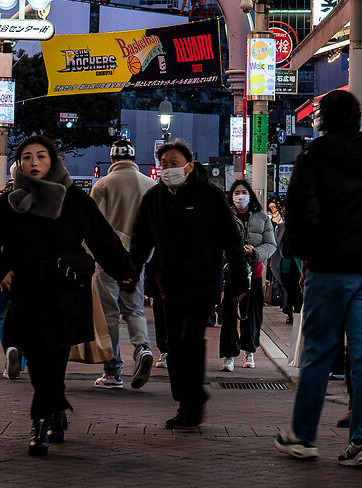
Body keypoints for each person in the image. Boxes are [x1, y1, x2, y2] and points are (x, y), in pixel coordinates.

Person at [0, 132, 132, 453]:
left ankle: (41, 420)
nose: (34, 163)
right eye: (27, 157)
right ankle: (54, 411)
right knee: (38, 358)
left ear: (53, 161)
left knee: (55, 358)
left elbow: (102, 238)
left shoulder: (73, 198)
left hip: (65, 291)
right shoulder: (9, 201)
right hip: (25, 292)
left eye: (41, 156)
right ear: (19, 163)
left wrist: (126, 273)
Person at [275, 88, 362, 467]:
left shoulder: (314, 158)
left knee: (319, 353)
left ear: (323, 121)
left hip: (328, 269)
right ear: (359, 118)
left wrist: (307, 255)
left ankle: (303, 437)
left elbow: (299, 213)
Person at [123, 140, 242, 429]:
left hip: (203, 283)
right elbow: (141, 240)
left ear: (189, 166)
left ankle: (192, 403)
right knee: (174, 344)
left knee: (191, 339)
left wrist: (238, 279)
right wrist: (130, 274)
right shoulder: (154, 198)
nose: (168, 169)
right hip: (169, 284)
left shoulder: (209, 196)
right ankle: (184, 400)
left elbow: (231, 239)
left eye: (174, 163)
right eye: (163, 164)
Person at [89, 139, 157, 390]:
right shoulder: (151, 186)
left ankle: (112, 371)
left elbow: (94, 226)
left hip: (108, 259)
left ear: (112, 159)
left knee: (108, 313)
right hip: (138, 259)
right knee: (134, 309)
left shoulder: (103, 185)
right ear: (133, 158)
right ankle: (142, 349)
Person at [223, 177, 274, 370]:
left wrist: (255, 252)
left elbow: (271, 244)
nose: (240, 196)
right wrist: (233, 253)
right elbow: (217, 242)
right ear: (231, 196)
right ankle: (229, 355)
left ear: (250, 195)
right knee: (229, 315)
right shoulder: (225, 217)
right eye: (237, 193)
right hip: (232, 273)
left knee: (252, 315)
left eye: (244, 193)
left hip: (255, 273)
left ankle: (249, 351)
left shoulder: (262, 218)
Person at [268, 198, 302, 321]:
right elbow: (277, 244)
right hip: (285, 262)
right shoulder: (281, 226)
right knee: (287, 287)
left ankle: (296, 313)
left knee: (297, 288)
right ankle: (290, 311)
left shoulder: (302, 226)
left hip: (299, 263)